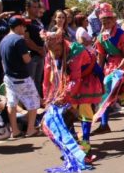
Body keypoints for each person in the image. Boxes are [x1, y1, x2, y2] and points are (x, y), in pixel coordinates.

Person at [43, 31, 103, 162]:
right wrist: (47, 98)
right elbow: (47, 78)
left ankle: (86, 145)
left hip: (86, 78)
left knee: (84, 108)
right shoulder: (50, 54)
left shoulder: (76, 52)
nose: (56, 53)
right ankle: (73, 145)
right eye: (52, 51)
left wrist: (64, 95)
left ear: (63, 45)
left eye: (58, 50)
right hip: (70, 81)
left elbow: (76, 79)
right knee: (65, 113)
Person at [92, 3, 124, 135]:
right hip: (109, 68)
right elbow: (101, 57)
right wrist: (98, 73)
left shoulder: (122, 34)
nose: (106, 22)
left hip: (122, 66)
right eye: (103, 20)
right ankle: (104, 124)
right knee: (105, 95)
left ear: (113, 20)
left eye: (108, 20)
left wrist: (119, 68)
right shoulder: (100, 37)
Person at [0, 15, 40, 138]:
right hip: (21, 76)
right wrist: (29, 54)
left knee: (11, 102)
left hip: (8, 76)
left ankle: (14, 130)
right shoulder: (19, 40)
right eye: (23, 26)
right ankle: (30, 129)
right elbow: (26, 59)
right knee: (33, 101)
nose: (25, 28)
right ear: (18, 26)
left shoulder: (3, 40)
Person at [23, 0, 46, 98]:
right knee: (30, 80)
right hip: (31, 55)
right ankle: (29, 103)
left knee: (38, 80)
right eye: (34, 7)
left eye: (38, 7)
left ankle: (37, 100)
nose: (37, 9)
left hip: (40, 55)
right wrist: (38, 49)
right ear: (27, 8)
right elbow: (26, 39)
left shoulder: (37, 21)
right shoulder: (24, 21)